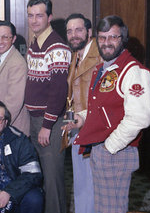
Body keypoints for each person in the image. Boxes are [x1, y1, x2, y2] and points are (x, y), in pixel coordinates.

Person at [66, 15, 150, 213]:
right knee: (101, 208)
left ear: (123, 38)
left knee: (111, 209)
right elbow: (102, 107)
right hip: (101, 150)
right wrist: (83, 117)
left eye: (113, 37)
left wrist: (109, 147)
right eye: (102, 38)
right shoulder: (103, 68)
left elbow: (140, 118)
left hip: (116, 152)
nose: (106, 43)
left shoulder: (134, 71)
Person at [25, 0, 71, 213]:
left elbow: (59, 91)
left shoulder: (57, 46)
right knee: (41, 176)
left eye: (39, 15)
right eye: (31, 15)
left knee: (53, 180)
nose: (34, 20)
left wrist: (47, 125)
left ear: (49, 17)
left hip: (50, 123)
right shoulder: (35, 43)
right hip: (36, 121)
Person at [63, 13, 101, 213]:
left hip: (95, 128)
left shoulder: (101, 54)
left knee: (94, 183)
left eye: (78, 30)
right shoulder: (76, 54)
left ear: (89, 31)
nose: (74, 35)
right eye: (69, 31)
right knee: (81, 181)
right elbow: (72, 94)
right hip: (77, 127)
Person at [0, 20, 29, 135]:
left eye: (5, 37)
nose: (0, 42)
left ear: (13, 39)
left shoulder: (17, 63)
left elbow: (14, 102)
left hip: (10, 126)